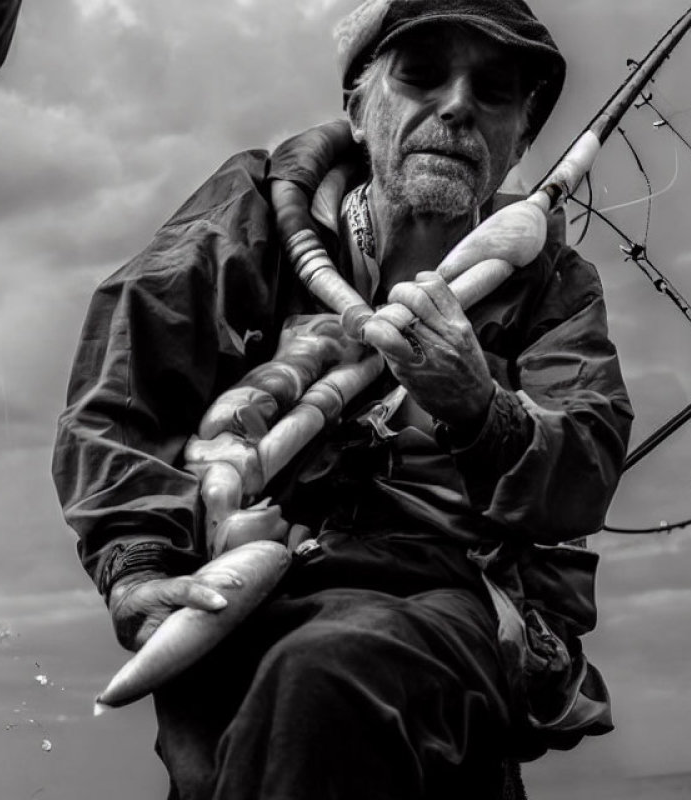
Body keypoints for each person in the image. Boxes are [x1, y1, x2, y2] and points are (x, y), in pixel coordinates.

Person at [52, 1, 633, 798]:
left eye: (494, 93)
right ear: (358, 106)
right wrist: (138, 563)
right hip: (242, 594)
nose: (458, 105)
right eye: (422, 75)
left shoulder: (555, 287)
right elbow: (123, 386)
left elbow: (586, 465)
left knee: (325, 677)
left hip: (449, 609)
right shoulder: (249, 213)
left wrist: (478, 406)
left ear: (519, 141)